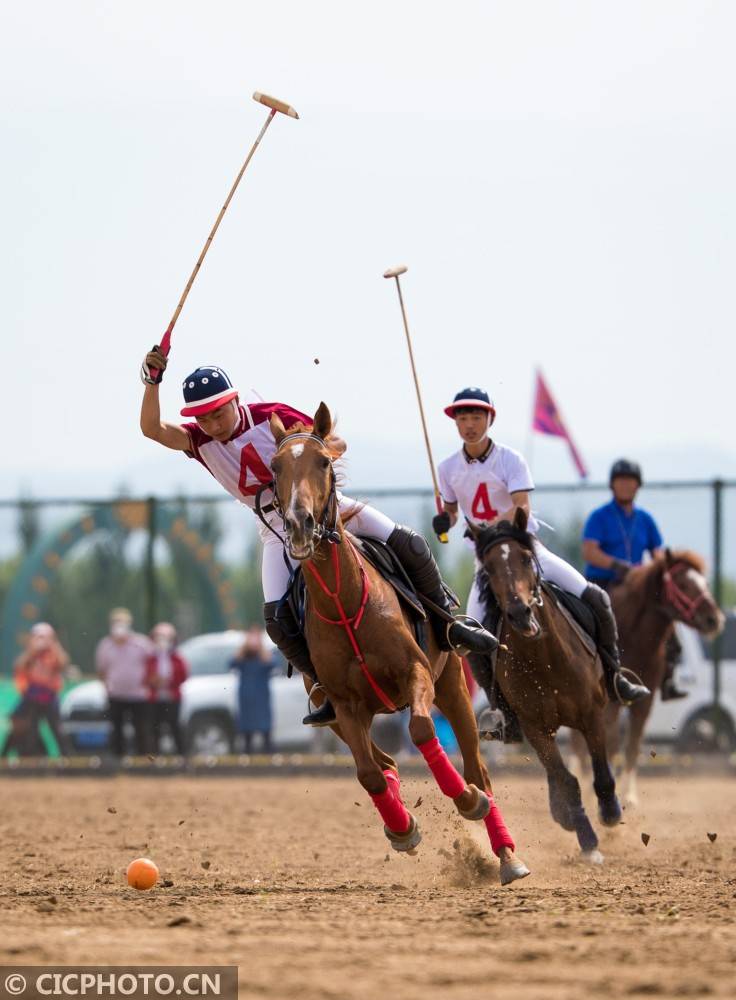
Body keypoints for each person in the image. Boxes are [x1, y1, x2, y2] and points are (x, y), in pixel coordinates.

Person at [139, 348, 498, 728]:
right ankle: (326, 686)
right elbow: (152, 429)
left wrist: (312, 454)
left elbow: (335, 443)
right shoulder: (197, 441)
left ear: (235, 400)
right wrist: (151, 382)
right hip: (276, 530)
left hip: (328, 511)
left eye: (219, 411)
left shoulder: (271, 416)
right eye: (203, 417)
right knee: (276, 618)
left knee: (410, 543)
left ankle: (450, 623)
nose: (212, 422)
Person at [432, 387, 650, 742]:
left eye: (475, 417)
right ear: (455, 423)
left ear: (489, 419)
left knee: (596, 598)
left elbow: (521, 507)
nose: (469, 424)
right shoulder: (446, 468)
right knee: (471, 635)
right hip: (485, 565)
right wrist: (445, 520)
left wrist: (488, 530)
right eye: (462, 418)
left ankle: (614, 677)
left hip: (526, 552)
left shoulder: (511, 459)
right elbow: (453, 510)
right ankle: (501, 708)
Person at [582, 458, 686, 700]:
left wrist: (656, 569)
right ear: (612, 485)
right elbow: (589, 552)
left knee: (667, 618)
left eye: (630, 481)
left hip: (636, 585)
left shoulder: (645, 519)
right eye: (621, 481)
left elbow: (658, 552)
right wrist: (617, 565)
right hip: (604, 583)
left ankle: (668, 679)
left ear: (638, 486)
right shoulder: (600, 516)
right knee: (590, 623)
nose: (626, 486)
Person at [3, 623, 69, 757]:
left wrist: (53, 645)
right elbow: (19, 666)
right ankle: (32, 760)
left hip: (50, 697)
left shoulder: (53, 653)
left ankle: (67, 759)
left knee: (57, 730)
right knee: (31, 730)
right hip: (33, 697)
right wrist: (31, 650)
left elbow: (63, 663)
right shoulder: (31, 655)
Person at [95, 608, 153, 756]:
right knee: (116, 729)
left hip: (138, 695)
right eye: (116, 623)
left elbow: (152, 665)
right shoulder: (105, 645)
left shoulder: (142, 643)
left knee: (141, 729)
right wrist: (108, 686)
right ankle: (118, 760)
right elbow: (102, 670)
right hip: (115, 695)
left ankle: (143, 760)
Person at [145, 622, 188, 754]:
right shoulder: (151, 658)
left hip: (172, 698)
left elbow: (183, 675)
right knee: (154, 729)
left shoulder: (177, 658)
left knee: (175, 727)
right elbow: (146, 676)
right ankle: (154, 758)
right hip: (155, 699)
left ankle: (182, 756)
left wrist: (168, 681)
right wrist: (154, 681)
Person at [230, 625, 275, 753]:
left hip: (261, 698)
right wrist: (244, 648)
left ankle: (268, 755)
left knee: (266, 732)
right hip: (246, 698)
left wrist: (261, 649)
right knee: (247, 734)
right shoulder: (243, 656)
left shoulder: (264, 655)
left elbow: (272, 664)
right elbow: (232, 663)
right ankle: (247, 756)